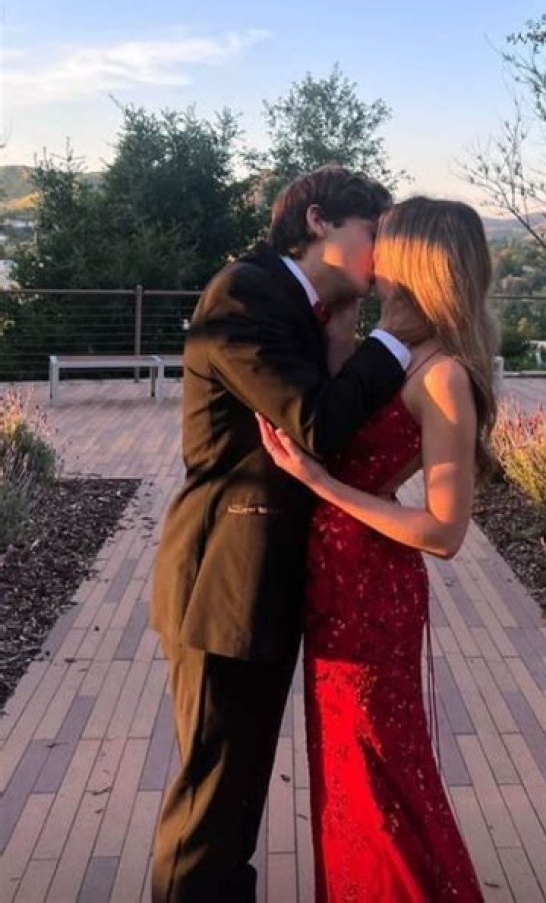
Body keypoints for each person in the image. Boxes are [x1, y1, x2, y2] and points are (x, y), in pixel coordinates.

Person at [150, 166, 413, 903]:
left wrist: (344, 344)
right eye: (373, 234)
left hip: (263, 583)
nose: (383, 255)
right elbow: (315, 424)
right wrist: (393, 338)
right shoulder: (245, 293)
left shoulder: (305, 312)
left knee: (236, 799)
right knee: (212, 804)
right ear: (319, 221)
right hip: (223, 582)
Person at [259, 195, 497, 903]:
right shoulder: (395, 351)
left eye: (386, 243)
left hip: (374, 591)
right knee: (343, 767)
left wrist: (322, 485)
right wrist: (339, 331)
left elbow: (445, 532)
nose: (373, 254)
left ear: (418, 260)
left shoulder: (443, 375)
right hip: (333, 580)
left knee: (380, 770)